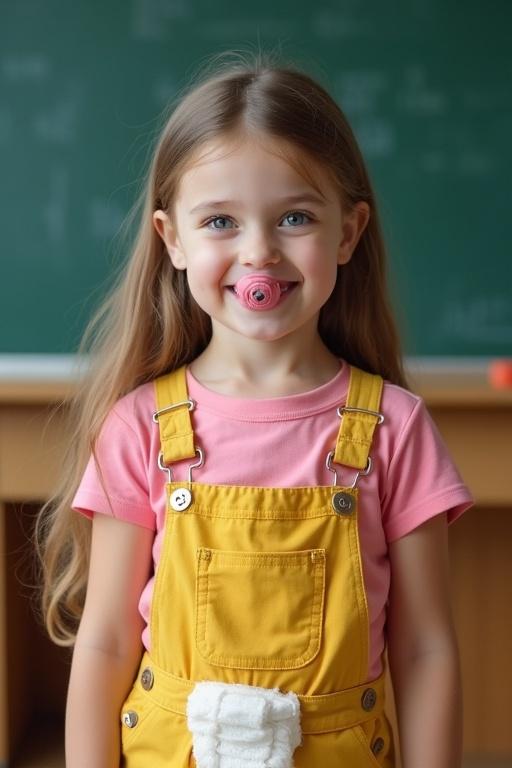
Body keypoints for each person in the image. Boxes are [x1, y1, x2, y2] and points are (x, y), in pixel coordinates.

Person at [36, 52, 473, 768]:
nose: (260, 253)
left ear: (348, 233)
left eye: (295, 217)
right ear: (172, 239)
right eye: (220, 222)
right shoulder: (138, 428)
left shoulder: (396, 430)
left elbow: (426, 649)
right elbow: (108, 642)